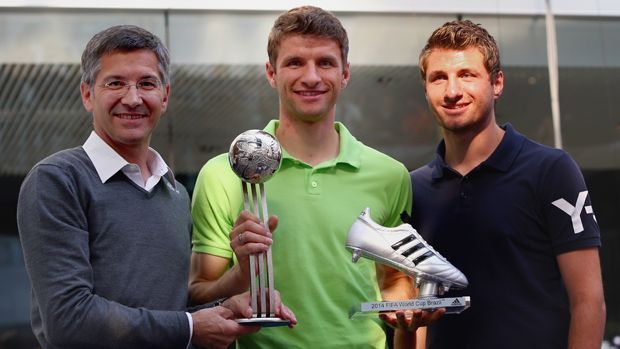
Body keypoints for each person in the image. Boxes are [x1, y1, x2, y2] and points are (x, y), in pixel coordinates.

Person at [17, 25, 294, 349]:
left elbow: (169, 311)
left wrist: (225, 310)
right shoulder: (57, 180)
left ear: (164, 96)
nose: (132, 98)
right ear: (87, 94)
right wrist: (191, 326)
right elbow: (68, 321)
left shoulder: (173, 192)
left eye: (146, 83)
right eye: (115, 83)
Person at [189, 6, 428, 349]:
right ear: (271, 73)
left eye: (325, 63)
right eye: (295, 63)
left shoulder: (390, 176)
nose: (312, 77)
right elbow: (198, 297)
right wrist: (241, 273)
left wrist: (405, 308)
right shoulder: (223, 173)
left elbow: (394, 279)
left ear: (345, 74)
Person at [409, 20, 606, 348]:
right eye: (439, 78)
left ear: (497, 83)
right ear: (426, 88)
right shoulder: (414, 188)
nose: (453, 91)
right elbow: (418, 313)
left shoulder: (552, 171)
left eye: (467, 75)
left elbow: (589, 302)